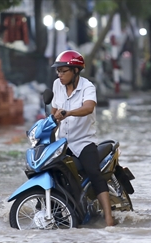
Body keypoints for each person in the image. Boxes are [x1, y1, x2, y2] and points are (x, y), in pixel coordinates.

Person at [50, 50, 115, 227]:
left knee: (94, 173)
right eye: (58, 71)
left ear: (76, 71)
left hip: (84, 141)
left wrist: (69, 112)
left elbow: (88, 108)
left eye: (64, 71)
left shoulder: (87, 87)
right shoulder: (57, 85)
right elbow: (53, 112)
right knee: (52, 171)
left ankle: (109, 218)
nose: (60, 75)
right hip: (63, 142)